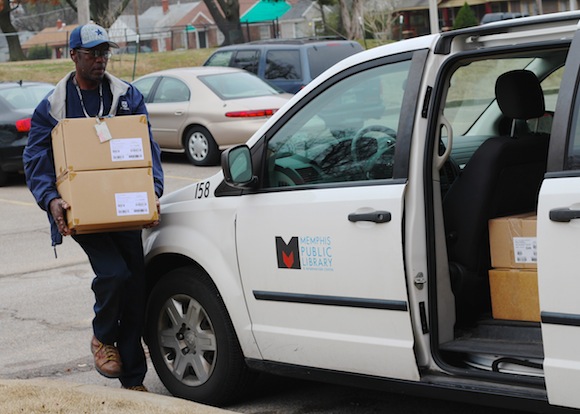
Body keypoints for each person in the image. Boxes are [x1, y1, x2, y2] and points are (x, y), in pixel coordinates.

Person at [23, 24, 164, 392]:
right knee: (115, 275)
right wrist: (51, 200)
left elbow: (147, 144)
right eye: (92, 53)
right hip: (82, 213)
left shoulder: (125, 96)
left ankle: (133, 380)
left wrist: (154, 189)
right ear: (74, 56)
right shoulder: (55, 104)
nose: (101, 59)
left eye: (105, 52)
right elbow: (35, 156)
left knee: (134, 290)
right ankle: (102, 337)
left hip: (125, 209)